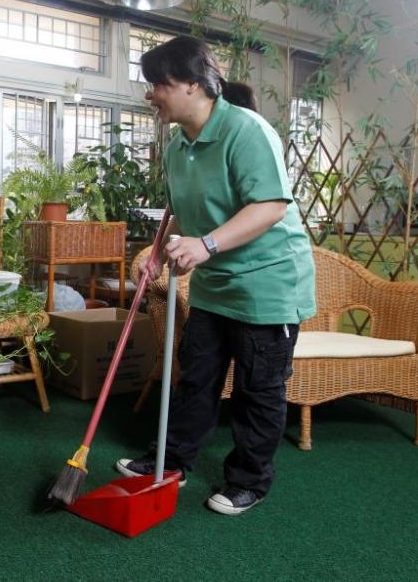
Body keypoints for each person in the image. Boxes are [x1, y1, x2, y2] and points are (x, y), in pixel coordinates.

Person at [115, 36, 316, 516]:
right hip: (213, 285)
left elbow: (269, 206)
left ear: (192, 84)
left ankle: (249, 482)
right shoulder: (180, 143)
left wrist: (204, 245)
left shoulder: (246, 131)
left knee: (257, 390)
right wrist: (162, 254)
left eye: (157, 84)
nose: (151, 95)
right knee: (196, 378)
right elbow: (180, 208)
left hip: (267, 283)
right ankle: (173, 461)